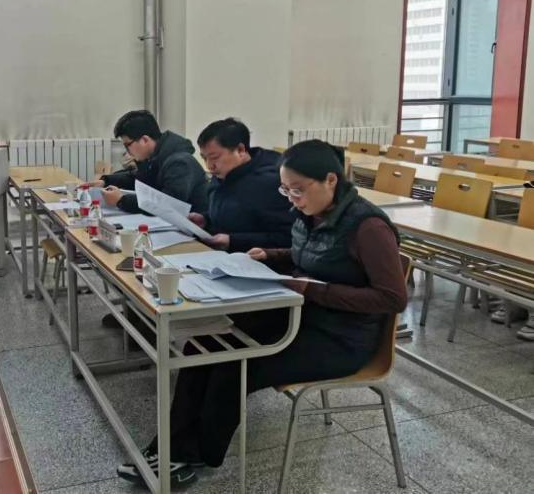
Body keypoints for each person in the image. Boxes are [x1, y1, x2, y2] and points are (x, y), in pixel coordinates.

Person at [117, 139, 408, 487]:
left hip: (342, 339)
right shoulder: (311, 210)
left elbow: (392, 298)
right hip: (301, 315)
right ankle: (169, 447)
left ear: (331, 180)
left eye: (298, 190)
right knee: (204, 346)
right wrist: (271, 255)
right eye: (286, 190)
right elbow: (309, 254)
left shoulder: (368, 227)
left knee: (236, 365)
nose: (292, 199)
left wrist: (312, 289)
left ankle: (190, 455)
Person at [190, 118, 294, 252]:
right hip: (221, 254)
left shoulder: (270, 181)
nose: (209, 166)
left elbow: (287, 238)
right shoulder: (223, 173)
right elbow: (234, 214)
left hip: (255, 260)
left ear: (240, 150)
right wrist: (205, 219)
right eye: (204, 158)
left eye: (214, 157)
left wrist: (233, 241)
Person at [93, 110, 208, 214]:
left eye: (128, 145)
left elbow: (167, 204)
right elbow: (138, 179)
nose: (127, 151)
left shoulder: (179, 163)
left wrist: (121, 200)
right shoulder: (155, 157)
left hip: (192, 228)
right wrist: (105, 181)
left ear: (145, 140)